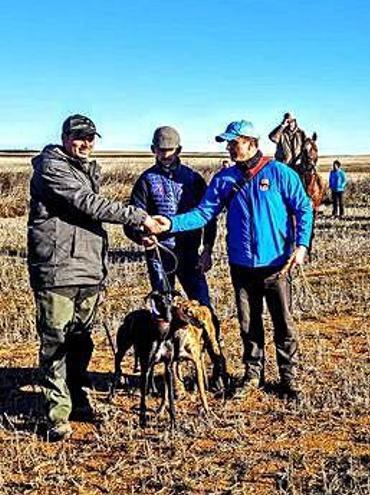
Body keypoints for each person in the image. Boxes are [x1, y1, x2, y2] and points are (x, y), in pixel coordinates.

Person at [145, 119, 313, 400]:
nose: (230, 149)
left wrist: (302, 245)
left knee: (283, 323)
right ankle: (252, 375)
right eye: (228, 144)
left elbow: (304, 208)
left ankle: (289, 378)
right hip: (241, 265)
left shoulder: (280, 173)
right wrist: (169, 224)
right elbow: (203, 213)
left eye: (234, 143)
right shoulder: (225, 180)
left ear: (252, 142)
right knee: (249, 324)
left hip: (278, 265)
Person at [29, 115, 160, 441]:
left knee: (80, 340)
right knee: (55, 343)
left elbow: (91, 219)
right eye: (79, 137)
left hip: (88, 269)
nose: (86, 143)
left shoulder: (87, 170)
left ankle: (77, 398)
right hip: (57, 270)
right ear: (64, 137)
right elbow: (88, 204)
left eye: (91, 138)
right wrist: (139, 216)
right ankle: (57, 415)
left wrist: (138, 234)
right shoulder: (51, 168)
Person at [124, 126, 226, 388]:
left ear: (179, 150)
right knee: (164, 315)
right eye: (160, 150)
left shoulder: (193, 179)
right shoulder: (145, 181)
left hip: (190, 254)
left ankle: (217, 368)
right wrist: (141, 237)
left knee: (203, 311)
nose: (165, 155)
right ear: (153, 151)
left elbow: (208, 217)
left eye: (169, 150)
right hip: (159, 255)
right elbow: (131, 220)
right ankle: (172, 377)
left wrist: (208, 249)